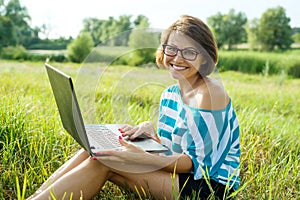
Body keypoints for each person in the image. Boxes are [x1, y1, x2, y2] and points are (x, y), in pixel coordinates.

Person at [27, 15, 240, 200]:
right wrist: (151, 135)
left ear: (205, 57)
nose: (177, 58)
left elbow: (194, 165)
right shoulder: (170, 94)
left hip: (208, 188)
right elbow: (175, 151)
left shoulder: (209, 95)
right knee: (96, 150)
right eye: (171, 49)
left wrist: (142, 158)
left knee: (108, 161)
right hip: (182, 176)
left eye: (190, 52)